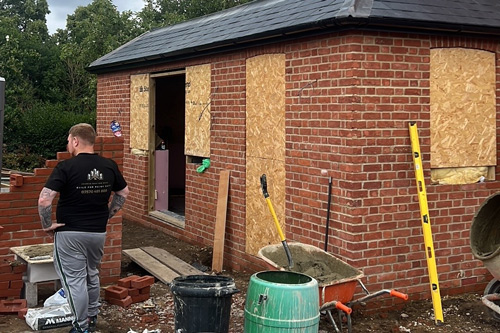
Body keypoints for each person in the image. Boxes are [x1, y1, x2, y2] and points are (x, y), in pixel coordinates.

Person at [38, 123, 129, 333]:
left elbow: (44, 200)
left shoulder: (66, 167)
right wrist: (107, 215)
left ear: (76, 141)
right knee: (91, 274)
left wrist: (47, 225)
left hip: (70, 234)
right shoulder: (109, 165)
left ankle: (81, 327)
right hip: (97, 233)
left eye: (69, 140)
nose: (68, 144)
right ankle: (92, 317)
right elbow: (123, 193)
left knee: (74, 281)